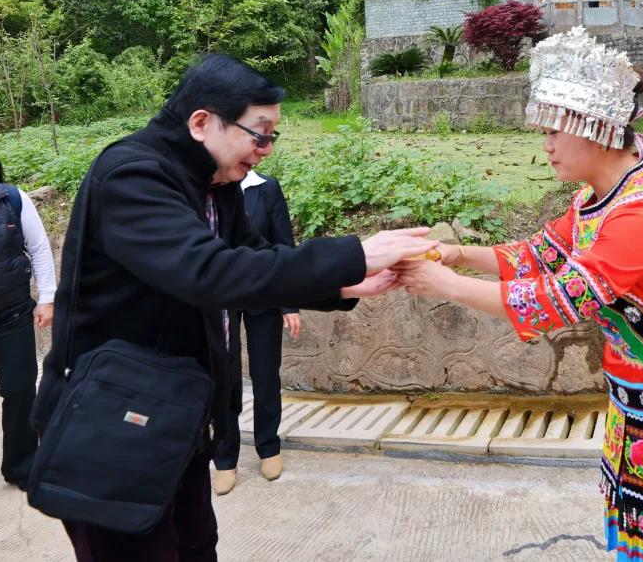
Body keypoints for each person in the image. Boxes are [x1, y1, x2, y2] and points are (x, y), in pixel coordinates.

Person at [32, 54, 436, 560]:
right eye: (259, 133)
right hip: (111, 423)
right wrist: (356, 252)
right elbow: (210, 273)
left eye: (272, 136)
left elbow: (256, 259)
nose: (265, 150)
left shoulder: (213, 184)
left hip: (174, 415)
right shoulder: (132, 176)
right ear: (202, 122)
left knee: (197, 546)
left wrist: (350, 283)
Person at [395, 27, 643, 562]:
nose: (545, 146)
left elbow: (558, 299)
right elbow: (539, 253)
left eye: (553, 131)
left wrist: (448, 287)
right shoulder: (606, 193)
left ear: (591, 127)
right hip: (641, 388)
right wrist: (459, 255)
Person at [0, 134, 56, 510]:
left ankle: (21, 466)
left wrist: (47, 297)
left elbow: (39, 247)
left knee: (19, 392)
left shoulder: (12, 199)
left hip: (12, 314)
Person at [212, 170, 300, 495]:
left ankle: (268, 446)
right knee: (224, 376)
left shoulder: (266, 188)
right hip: (221, 299)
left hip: (264, 296)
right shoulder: (211, 188)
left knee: (265, 373)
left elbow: (283, 245)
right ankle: (224, 458)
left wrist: (289, 304)